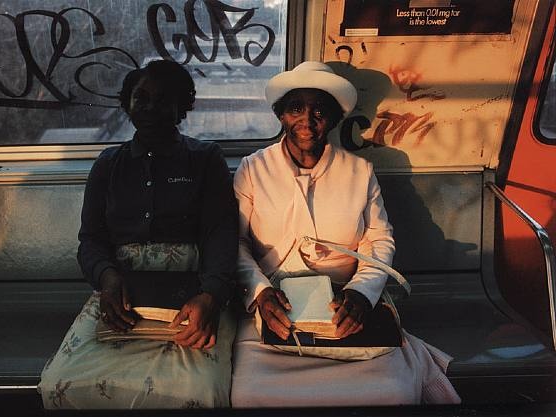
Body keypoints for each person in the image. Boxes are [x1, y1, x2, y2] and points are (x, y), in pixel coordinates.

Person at [230, 61, 461, 407]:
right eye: (296, 108)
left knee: (393, 390)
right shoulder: (253, 169)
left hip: (342, 307)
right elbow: (236, 242)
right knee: (249, 394)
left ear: (335, 119)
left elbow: (379, 241)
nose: (307, 120)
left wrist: (361, 294)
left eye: (319, 110)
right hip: (273, 307)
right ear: (281, 115)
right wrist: (260, 293)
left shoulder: (359, 171)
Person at [38, 59, 238, 409]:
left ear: (182, 107)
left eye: (163, 99)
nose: (149, 108)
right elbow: (92, 240)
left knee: (198, 392)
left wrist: (211, 295)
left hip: (195, 294)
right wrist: (107, 277)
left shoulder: (205, 159)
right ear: (126, 104)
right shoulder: (108, 165)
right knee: (59, 384)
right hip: (122, 294)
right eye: (140, 98)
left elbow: (220, 235)